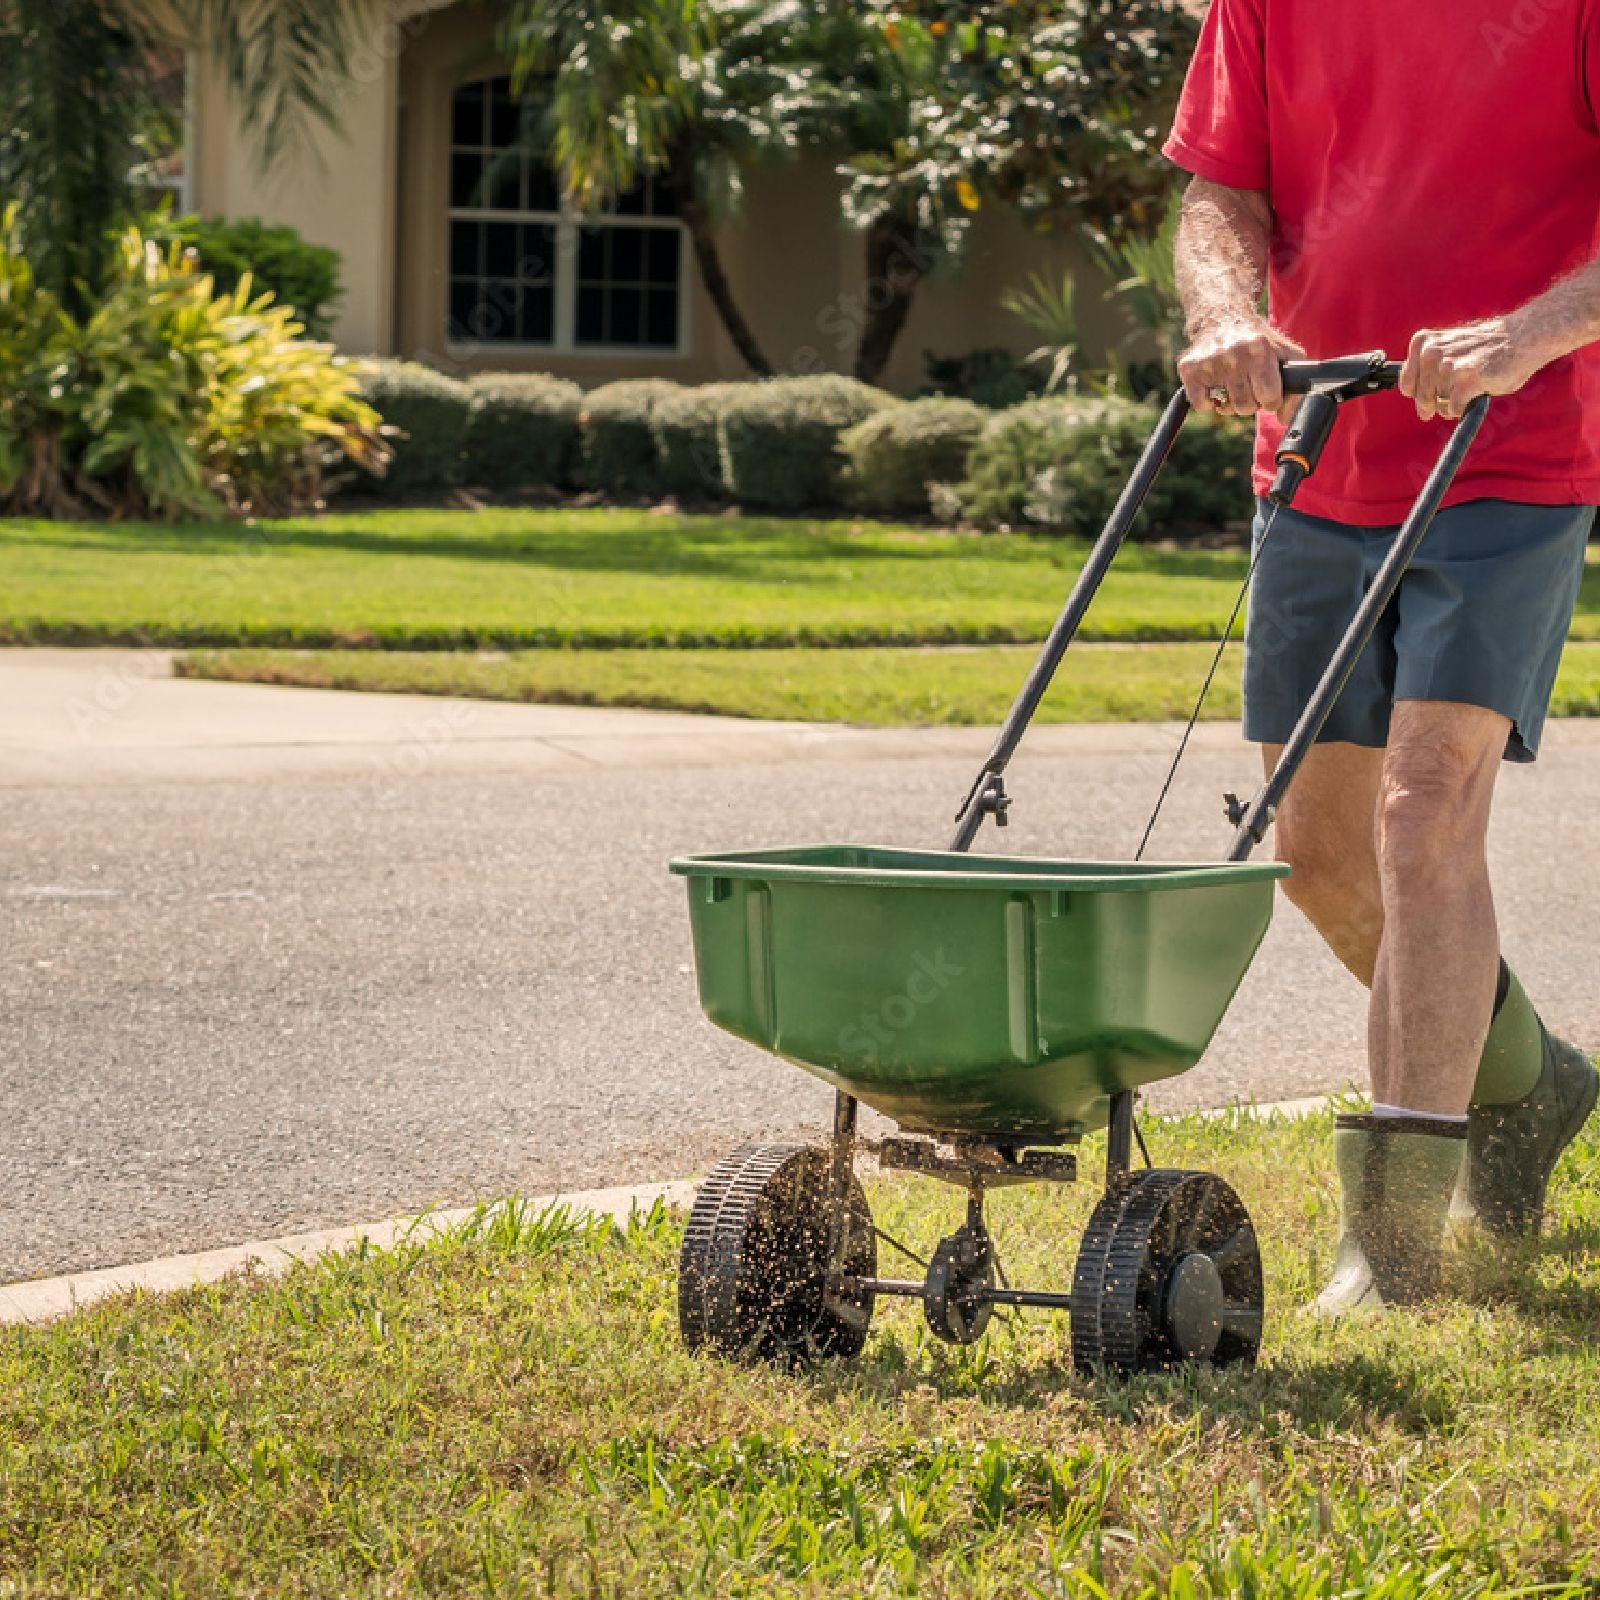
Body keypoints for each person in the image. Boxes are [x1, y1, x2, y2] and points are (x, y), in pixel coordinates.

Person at [1164, 0, 1600, 1311]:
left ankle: (1396, 1249)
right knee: (1322, 859)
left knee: (1424, 817)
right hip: (1316, 454)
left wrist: (1524, 336)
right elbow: (1218, 192)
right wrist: (1227, 311)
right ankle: (1530, 1079)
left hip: (1512, 459)